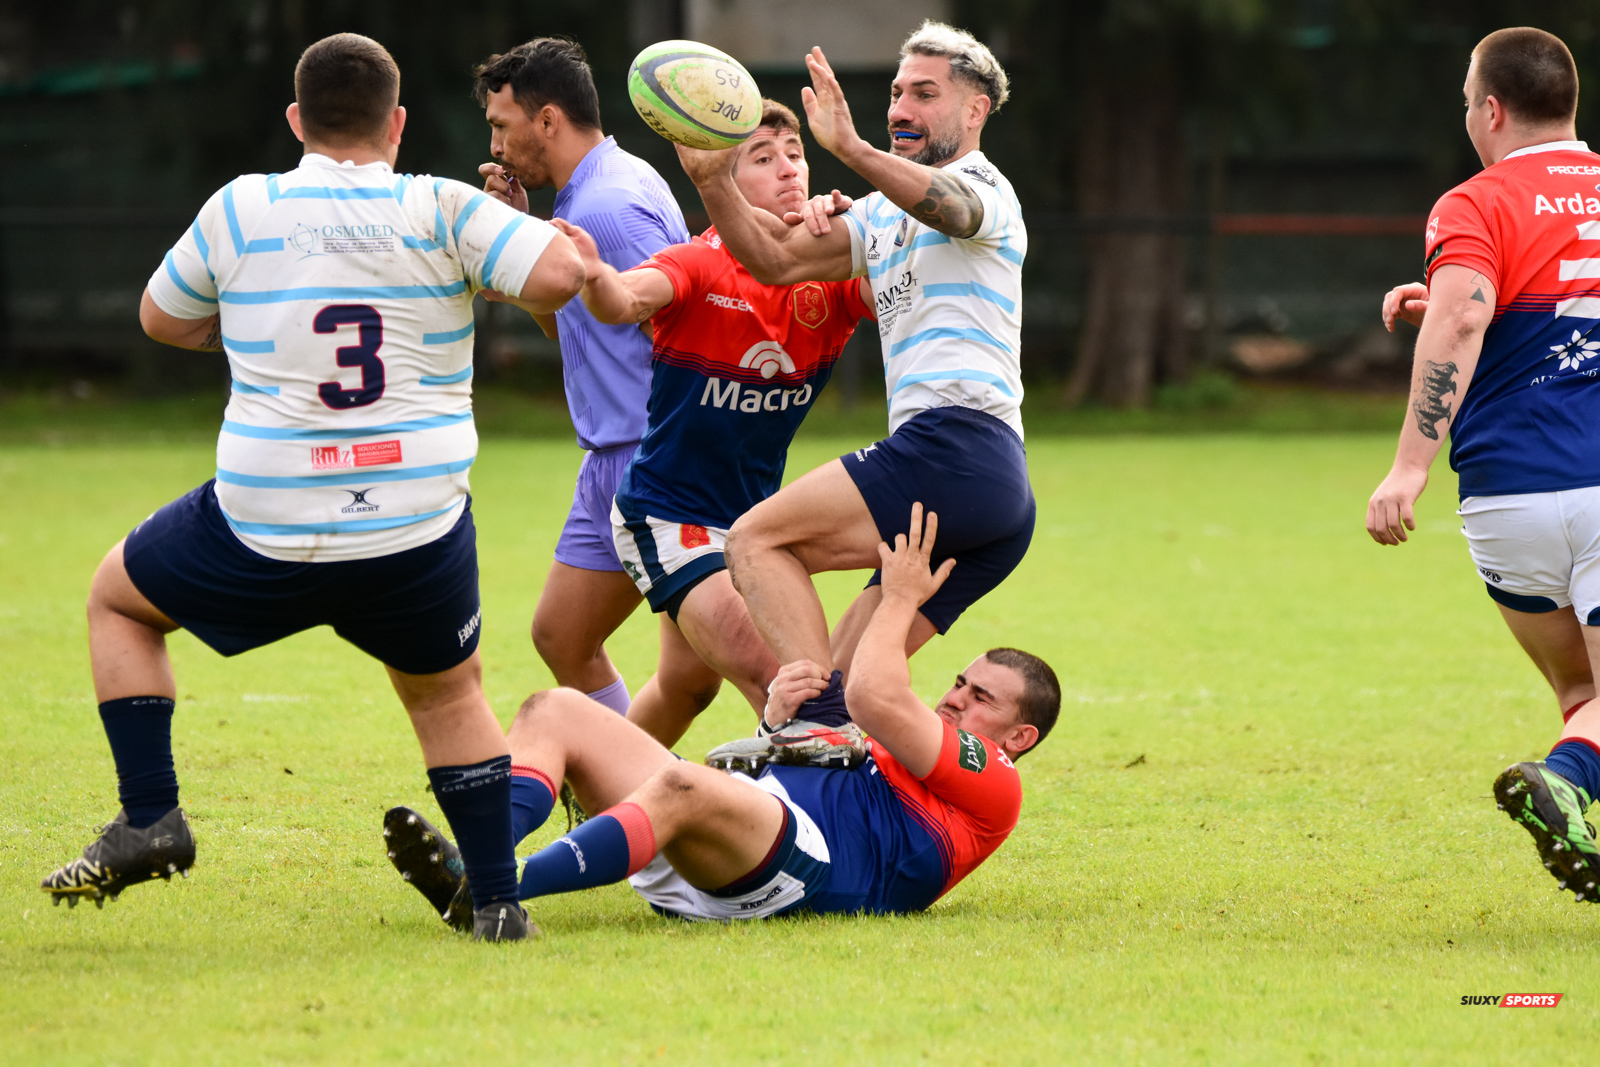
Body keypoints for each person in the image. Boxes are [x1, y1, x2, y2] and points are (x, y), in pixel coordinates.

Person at [37, 33, 584, 942]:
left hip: (264, 518)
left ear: (296, 120)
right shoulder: (442, 205)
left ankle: (151, 818)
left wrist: (249, 328)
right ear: (398, 124)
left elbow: (159, 317)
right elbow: (563, 277)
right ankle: (496, 901)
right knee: (449, 695)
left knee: (117, 602)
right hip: (414, 522)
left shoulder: (243, 208)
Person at [384, 504, 1059, 928]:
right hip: (741, 837)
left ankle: (496, 894)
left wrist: (901, 598)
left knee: (684, 783)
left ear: (1019, 735)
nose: (956, 697)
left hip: (808, 874)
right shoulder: (916, 754)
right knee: (554, 708)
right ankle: (478, 860)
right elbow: (840, 735)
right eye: (961, 682)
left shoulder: (995, 778)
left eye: (981, 697)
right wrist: (778, 722)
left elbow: (875, 692)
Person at [673, 23, 1034, 764]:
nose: (903, 105)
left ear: (976, 111)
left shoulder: (987, 188)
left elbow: (950, 208)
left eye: (925, 93)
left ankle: (809, 733)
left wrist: (851, 148)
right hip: (989, 495)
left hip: (956, 448)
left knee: (754, 539)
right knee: (845, 686)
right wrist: (711, 179)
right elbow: (772, 259)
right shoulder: (876, 214)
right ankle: (833, 814)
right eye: (898, 91)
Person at [551, 99, 875, 749]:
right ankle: (806, 839)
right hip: (668, 515)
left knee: (684, 686)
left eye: (795, 154)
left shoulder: (830, 271)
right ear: (721, 176)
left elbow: (904, 277)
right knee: (782, 679)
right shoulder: (698, 263)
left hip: (755, 526)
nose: (788, 170)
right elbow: (621, 302)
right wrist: (590, 273)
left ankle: (601, 816)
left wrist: (869, 226)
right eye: (762, 157)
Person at [1365, 27, 1600, 901]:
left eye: (1467, 100)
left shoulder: (1473, 202)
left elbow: (1468, 318)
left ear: (1492, 110)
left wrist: (1408, 469)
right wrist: (1459, 309)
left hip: (1506, 500)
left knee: (1582, 688)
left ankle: (1574, 800)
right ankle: (1568, 782)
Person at [473, 38, 690, 715]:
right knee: (563, 636)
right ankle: (625, 800)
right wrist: (523, 238)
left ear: (546, 121)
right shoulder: (592, 192)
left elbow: (683, 333)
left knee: (703, 669)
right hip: (608, 461)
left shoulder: (608, 209)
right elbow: (576, 326)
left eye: (501, 127)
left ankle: (647, 804)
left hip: (650, 459)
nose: (498, 148)